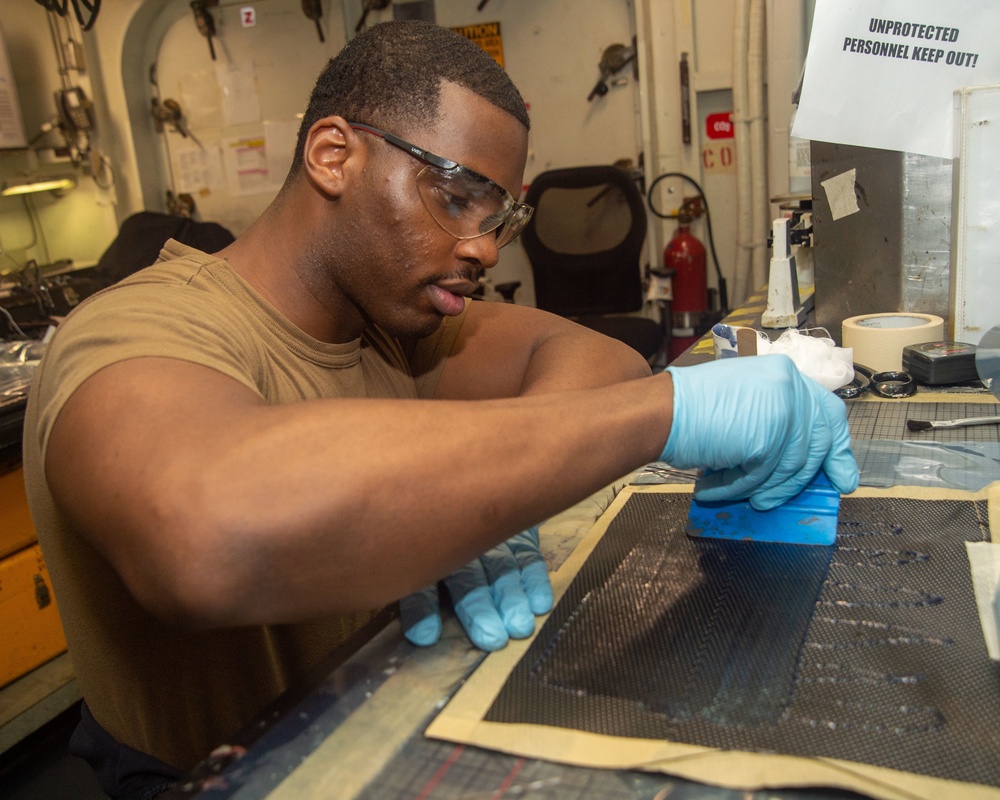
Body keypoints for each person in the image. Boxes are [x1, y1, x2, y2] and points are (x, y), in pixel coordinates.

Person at [22, 19, 858, 799]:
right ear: (333, 153)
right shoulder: (140, 327)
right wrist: (662, 413)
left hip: (368, 717)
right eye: (455, 197)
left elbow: (592, 357)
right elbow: (203, 534)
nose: (485, 249)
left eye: (501, 216)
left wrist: (495, 498)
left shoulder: (393, 324)